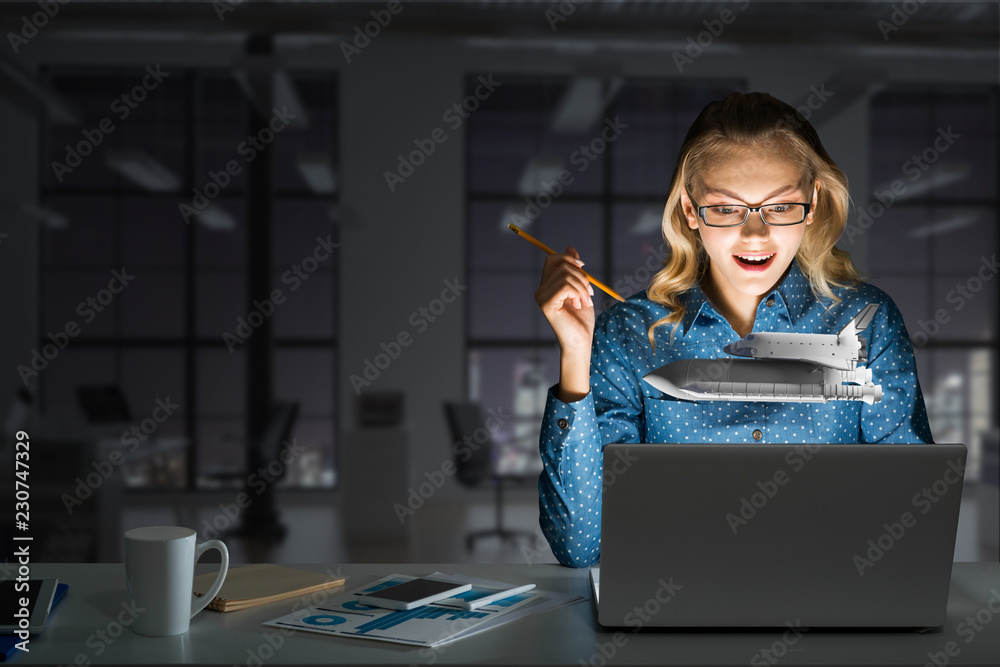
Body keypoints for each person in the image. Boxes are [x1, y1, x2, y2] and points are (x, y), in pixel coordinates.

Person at [533, 91, 933, 568]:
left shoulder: (868, 321)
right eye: (726, 209)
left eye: (781, 207)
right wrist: (575, 353)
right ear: (689, 210)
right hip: (668, 604)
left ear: (814, 201)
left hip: (830, 599)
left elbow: (911, 517)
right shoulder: (629, 332)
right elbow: (582, 548)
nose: (756, 234)